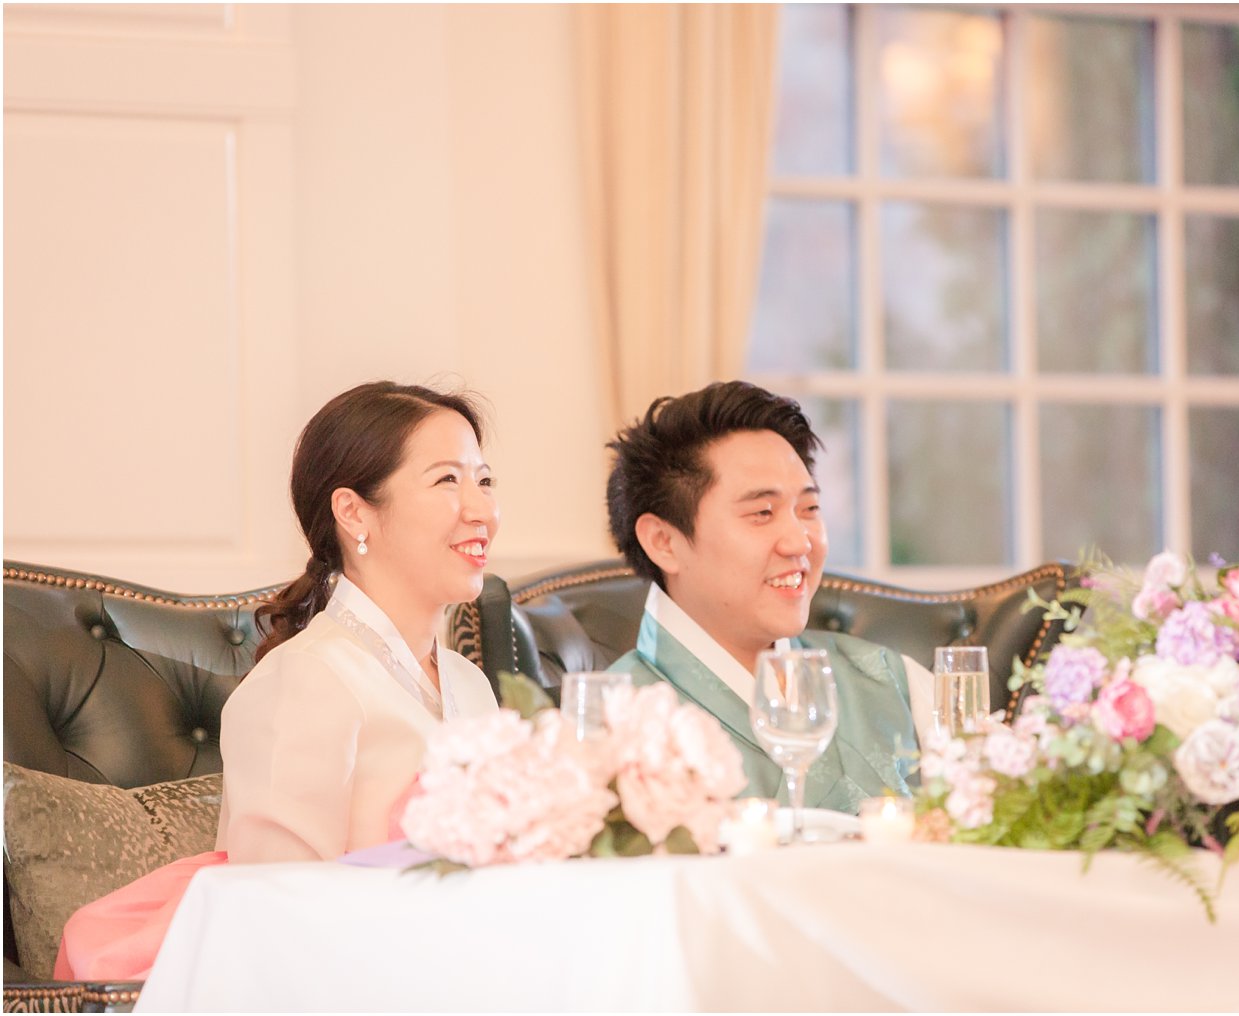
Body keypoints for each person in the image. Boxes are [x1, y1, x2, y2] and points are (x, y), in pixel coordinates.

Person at [55, 380, 502, 980]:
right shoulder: (305, 681)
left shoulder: (470, 684)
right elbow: (277, 927)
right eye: (448, 480)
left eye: (485, 479)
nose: (482, 510)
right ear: (353, 512)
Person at [605, 380, 931, 813]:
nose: (800, 542)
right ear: (664, 541)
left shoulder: (893, 682)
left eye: (809, 509)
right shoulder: (605, 727)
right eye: (762, 513)